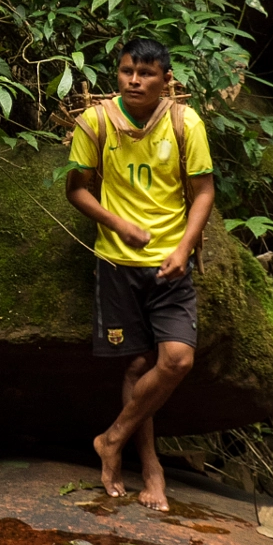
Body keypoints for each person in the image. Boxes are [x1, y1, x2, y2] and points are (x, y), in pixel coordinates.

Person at [64, 37, 215, 512]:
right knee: (136, 364)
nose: (134, 80)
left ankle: (112, 439)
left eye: (146, 73)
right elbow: (77, 191)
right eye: (128, 71)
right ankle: (150, 467)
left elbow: (204, 192)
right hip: (116, 263)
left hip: (170, 265)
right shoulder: (96, 122)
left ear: (165, 80)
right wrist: (120, 224)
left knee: (177, 361)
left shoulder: (184, 122)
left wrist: (185, 247)